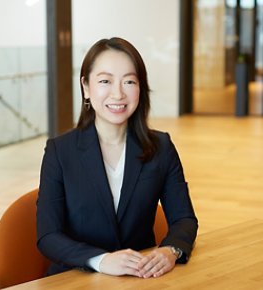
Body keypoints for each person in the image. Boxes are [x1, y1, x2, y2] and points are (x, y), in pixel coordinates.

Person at [36, 37, 198, 279]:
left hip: (140, 279)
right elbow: (48, 235)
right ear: (86, 87)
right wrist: (101, 261)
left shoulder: (161, 147)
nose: (118, 93)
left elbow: (184, 219)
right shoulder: (60, 151)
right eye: (105, 81)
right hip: (78, 279)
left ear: (140, 88)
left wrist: (170, 250)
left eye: (129, 81)